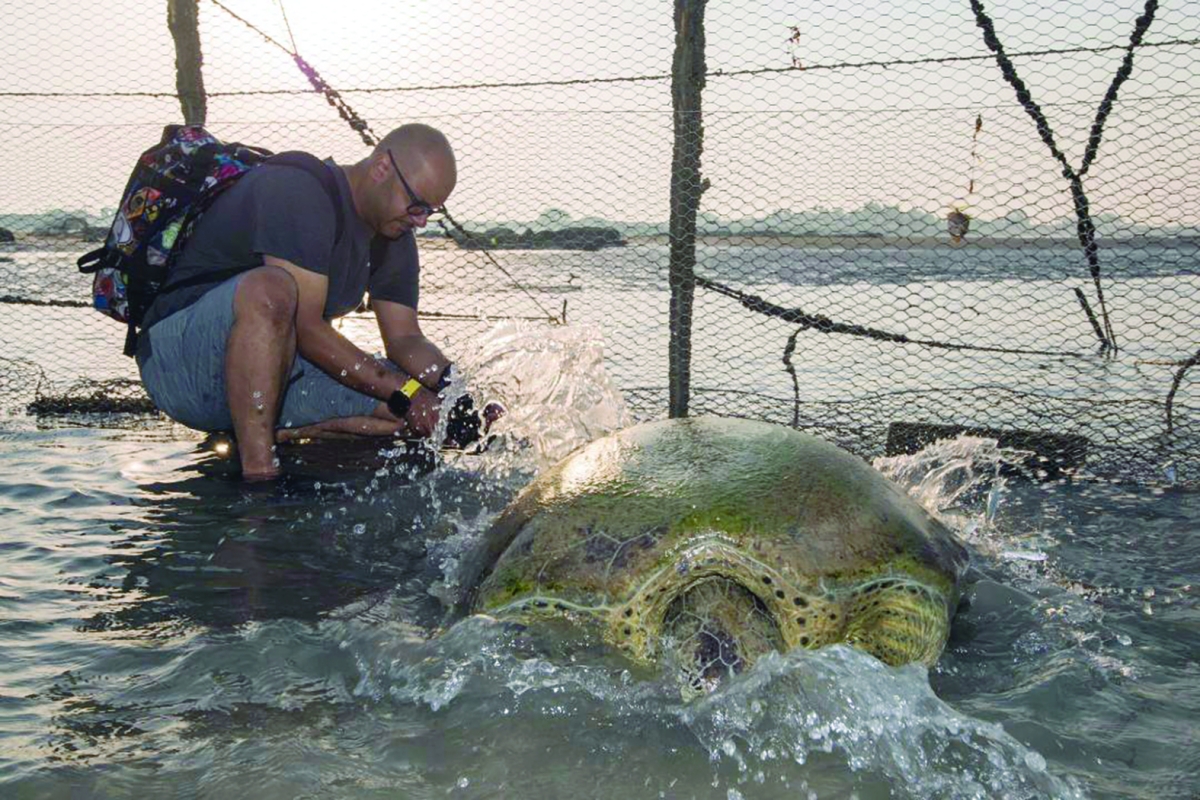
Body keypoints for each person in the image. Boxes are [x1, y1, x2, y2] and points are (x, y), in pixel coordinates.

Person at [135, 123, 488, 480]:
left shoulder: (394, 231)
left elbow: (406, 340)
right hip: (180, 363)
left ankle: (274, 433)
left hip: (280, 374)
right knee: (272, 290)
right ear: (382, 168)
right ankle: (259, 478)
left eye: (431, 211)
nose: (422, 221)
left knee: (424, 416)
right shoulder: (299, 189)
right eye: (417, 206)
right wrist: (407, 391)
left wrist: (460, 394)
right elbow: (307, 329)